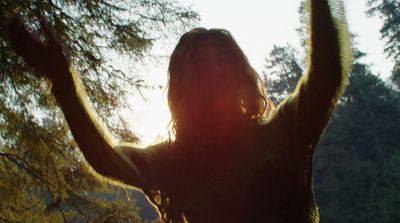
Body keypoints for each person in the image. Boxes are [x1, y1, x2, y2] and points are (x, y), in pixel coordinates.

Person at [7, 0, 352, 222]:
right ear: (185, 86)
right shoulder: (174, 165)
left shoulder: (283, 133)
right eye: (202, 66)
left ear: (242, 73)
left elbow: (326, 74)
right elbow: (106, 158)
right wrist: (62, 80)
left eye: (225, 60)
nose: (218, 72)